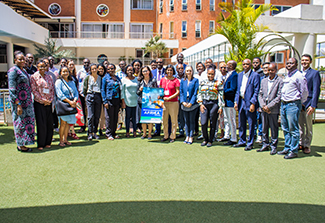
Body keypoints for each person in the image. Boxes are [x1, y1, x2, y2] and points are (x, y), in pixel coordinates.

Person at [277, 58, 308, 159]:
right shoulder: (288, 75)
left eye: (291, 63)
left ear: (296, 64)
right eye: (288, 63)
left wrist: (300, 102)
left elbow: (304, 91)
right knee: (285, 127)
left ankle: (293, 150)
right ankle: (287, 147)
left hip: (293, 104)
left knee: (293, 128)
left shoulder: (299, 76)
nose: (289, 65)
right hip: (284, 104)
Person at [8, 52, 35, 152]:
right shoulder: (13, 71)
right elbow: (11, 89)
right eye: (20, 59)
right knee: (19, 123)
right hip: (19, 103)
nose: (22, 61)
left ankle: (26, 142)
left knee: (28, 122)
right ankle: (20, 145)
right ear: (15, 60)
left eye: (23, 59)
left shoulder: (23, 70)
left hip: (27, 102)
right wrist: (17, 103)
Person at [234, 59, 260, 151]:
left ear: (251, 65)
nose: (245, 66)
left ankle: (250, 143)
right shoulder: (240, 75)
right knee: (241, 122)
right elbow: (238, 89)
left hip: (250, 102)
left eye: (247, 64)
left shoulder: (255, 75)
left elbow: (256, 91)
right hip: (241, 101)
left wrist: (253, 103)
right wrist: (236, 101)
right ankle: (242, 141)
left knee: (251, 123)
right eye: (244, 64)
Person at [257, 63, 283, 155]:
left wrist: (269, 106)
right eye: (269, 70)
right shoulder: (263, 80)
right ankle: (265, 144)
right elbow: (260, 94)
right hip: (263, 108)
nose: (270, 72)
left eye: (272, 70)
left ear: (276, 70)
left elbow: (279, 96)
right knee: (264, 127)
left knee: (273, 128)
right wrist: (263, 106)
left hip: (273, 109)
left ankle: (274, 146)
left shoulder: (280, 81)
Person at [299, 54, 321, 154]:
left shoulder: (314, 73)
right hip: (299, 103)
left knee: (308, 126)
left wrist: (313, 105)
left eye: (306, 60)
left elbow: (316, 90)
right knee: (300, 125)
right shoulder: (298, 73)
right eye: (303, 60)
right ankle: (301, 143)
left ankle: (307, 145)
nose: (304, 62)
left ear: (310, 62)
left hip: (309, 104)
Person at [30, 60, 55, 150]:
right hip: (39, 103)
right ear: (37, 67)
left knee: (49, 123)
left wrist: (50, 100)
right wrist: (43, 100)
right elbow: (34, 90)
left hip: (48, 103)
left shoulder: (49, 77)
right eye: (40, 66)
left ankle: (48, 142)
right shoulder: (34, 77)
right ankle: (41, 144)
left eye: (44, 66)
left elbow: (52, 89)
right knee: (41, 123)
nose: (42, 68)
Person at [197, 66, 224, 147]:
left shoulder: (218, 83)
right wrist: (200, 104)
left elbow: (221, 95)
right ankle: (205, 139)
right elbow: (199, 94)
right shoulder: (202, 82)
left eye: (212, 74)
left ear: (214, 74)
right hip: (204, 103)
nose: (210, 76)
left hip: (214, 104)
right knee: (203, 122)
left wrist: (221, 107)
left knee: (213, 123)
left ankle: (210, 140)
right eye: (209, 74)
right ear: (206, 74)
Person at [55, 66, 79, 147]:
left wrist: (74, 101)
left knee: (68, 123)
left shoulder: (72, 82)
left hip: (72, 103)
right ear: (60, 73)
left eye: (67, 71)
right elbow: (59, 94)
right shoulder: (58, 82)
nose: (65, 73)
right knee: (63, 123)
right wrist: (69, 102)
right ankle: (61, 140)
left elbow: (76, 92)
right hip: (63, 104)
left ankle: (66, 139)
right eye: (63, 71)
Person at [218, 60, 238, 145]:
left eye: (229, 65)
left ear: (232, 66)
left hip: (230, 101)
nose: (226, 66)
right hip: (226, 101)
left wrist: (223, 90)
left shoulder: (234, 75)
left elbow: (233, 88)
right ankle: (227, 135)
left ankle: (233, 138)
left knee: (231, 120)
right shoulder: (228, 75)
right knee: (226, 119)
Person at [137, 66, 158, 139]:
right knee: (143, 119)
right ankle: (144, 133)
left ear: (149, 71)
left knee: (150, 119)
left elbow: (157, 91)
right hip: (141, 102)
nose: (145, 72)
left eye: (146, 71)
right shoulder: (140, 81)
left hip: (150, 102)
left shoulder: (153, 80)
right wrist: (140, 89)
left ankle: (149, 134)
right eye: (143, 71)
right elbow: (137, 92)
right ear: (141, 73)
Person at [102, 63, 122, 140]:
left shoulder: (117, 78)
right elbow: (103, 90)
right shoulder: (105, 78)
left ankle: (114, 133)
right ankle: (108, 133)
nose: (111, 70)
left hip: (117, 100)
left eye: (112, 68)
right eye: (109, 69)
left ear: (114, 69)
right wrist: (105, 101)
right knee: (109, 117)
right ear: (107, 70)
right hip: (109, 100)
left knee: (115, 117)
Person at [160, 65, 180, 143]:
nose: (169, 72)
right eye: (168, 70)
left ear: (173, 71)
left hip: (173, 103)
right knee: (164, 120)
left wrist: (169, 98)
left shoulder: (176, 80)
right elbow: (161, 90)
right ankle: (165, 135)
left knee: (173, 120)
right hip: (164, 103)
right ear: (166, 71)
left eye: (171, 70)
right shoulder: (162, 80)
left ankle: (173, 136)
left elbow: (177, 92)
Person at [180, 65, 199, 145]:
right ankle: (187, 135)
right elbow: (181, 92)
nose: (188, 72)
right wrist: (183, 102)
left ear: (192, 71)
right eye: (187, 71)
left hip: (193, 104)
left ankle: (191, 136)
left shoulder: (195, 80)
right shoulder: (182, 81)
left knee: (192, 121)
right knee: (186, 121)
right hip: (184, 104)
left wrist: (191, 102)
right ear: (185, 72)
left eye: (190, 71)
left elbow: (195, 92)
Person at [121, 65, 139, 137]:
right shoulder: (123, 80)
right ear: (126, 71)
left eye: (131, 70)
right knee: (127, 117)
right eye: (128, 70)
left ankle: (135, 131)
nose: (130, 71)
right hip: (127, 101)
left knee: (135, 117)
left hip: (136, 101)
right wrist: (123, 101)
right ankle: (127, 132)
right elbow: (122, 92)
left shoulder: (136, 79)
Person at [86, 64, 102, 140]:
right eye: (93, 69)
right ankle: (90, 132)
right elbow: (84, 88)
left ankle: (95, 132)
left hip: (98, 96)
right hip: (90, 95)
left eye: (95, 68)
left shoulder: (100, 78)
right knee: (90, 116)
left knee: (97, 116)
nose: (94, 70)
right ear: (90, 70)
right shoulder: (88, 78)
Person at [152, 58, 166, 136]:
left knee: (165, 114)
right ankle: (157, 130)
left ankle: (166, 130)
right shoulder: (152, 72)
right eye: (157, 62)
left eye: (160, 62)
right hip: (155, 95)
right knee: (157, 113)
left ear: (163, 63)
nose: (159, 63)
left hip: (165, 95)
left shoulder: (166, 71)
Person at [77, 58, 90, 133]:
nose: (86, 64)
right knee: (82, 111)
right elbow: (78, 83)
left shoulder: (91, 72)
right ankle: (82, 126)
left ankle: (90, 126)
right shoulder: (80, 72)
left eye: (87, 62)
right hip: (81, 94)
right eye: (85, 62)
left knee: (89, 111)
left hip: (89, 94)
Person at [67, 59, 79, 140]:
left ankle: (71, 131)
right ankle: (71, 132)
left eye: (72, 64)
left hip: (74, 98)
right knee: (68, 116)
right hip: (67, 99)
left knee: (73, 115)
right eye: (70, 64)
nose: (71, 66)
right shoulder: (66, 76)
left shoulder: (74, 75)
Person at [194, 62, 206, 138]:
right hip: (195, 98)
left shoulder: (206, 75)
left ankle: (203, 133)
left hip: (203, 99)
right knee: (195, 116)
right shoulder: (195, 76)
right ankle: (196, 131)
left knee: (202, 116)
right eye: (198, 67)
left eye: (201, 66)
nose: (199, 68)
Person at [216, 62, 227, 140]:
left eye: (224, 67)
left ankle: (227, 133)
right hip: (219, 98)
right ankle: (222, 132)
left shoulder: (228, 76)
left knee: (226, 117)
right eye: (221, 67)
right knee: (221, 117)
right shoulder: (218, 76)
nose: (223, 69)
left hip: (227, 99)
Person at [116, 60, 127, 131]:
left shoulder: (128, 73)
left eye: (123, 64)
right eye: (120, 64)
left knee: (126, 110)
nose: (122, 65)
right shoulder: (117, 74)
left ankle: (127, 124)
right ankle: (119, 124)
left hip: (127, 94)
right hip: (119, 93)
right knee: (119, 110)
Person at [175, 63, 186, 138]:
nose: (180, 70)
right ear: (176, 70)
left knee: (186, 116)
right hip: (177, 100)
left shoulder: (187, 77)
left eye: (182, 68)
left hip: (186, 100)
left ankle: (187, 131)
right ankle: (181, 131)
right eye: (179, 68)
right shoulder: (175, 78)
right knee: (179, 116)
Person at [97, 63, 107, 136]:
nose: (101, 70)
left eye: (102, 69)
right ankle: (95, 129)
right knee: (98, 115)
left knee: (103, 115)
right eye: (99, 69)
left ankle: (101, 129)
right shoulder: (95, 77)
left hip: (104, 98)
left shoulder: (106, 77)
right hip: (97, 98)